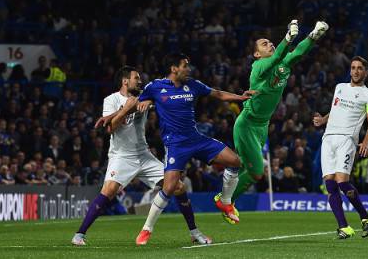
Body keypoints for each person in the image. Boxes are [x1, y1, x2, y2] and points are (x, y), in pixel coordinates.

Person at [72, 66, 211, 246]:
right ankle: (79, 235)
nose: (140, 81)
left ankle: (195, 233)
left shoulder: (145, 95)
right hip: (121, 156)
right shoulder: (111, 100)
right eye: (136, 78)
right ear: (125, 81)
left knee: (178, 186)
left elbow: (163, 96)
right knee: (109, 190)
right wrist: (125, 109)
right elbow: (110, 128)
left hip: (144, 155)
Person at [124, 53, 255, 244]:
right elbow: (138, 101)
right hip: (175, 145)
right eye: (185, 66)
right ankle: (146, 229)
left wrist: (241, 97)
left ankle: (225, 201)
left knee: (234, 161)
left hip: (196, 139)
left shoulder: (193, 84)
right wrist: (145, 101)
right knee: (169, 188)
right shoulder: (155, 86)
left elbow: (218, 94)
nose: (188, 69)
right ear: (174, 68)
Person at [215, 19, 328, 223]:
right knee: (257, 172)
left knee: (244, 167)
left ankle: (226, 200)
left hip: (262, 126)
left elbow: (298, 53)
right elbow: (276, 58)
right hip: (247, 125)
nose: (270, 44)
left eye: (270, 42)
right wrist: (288, 38)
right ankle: (225, 200)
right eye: (264, 44)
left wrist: (313, 36)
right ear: (257, 54)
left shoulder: (282, 65)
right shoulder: (258, 67)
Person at [313, 56, 368, 239]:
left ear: (366, 72)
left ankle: (365, 216)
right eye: (353, 68)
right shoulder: (339, 88)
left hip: (347, 139)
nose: (355, 71)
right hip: (328, 138)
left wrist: (365, 141)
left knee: (342, 182)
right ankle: (344, 227)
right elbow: (335, 110)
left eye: (359, 68)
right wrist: (322, 120)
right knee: (330, 184)